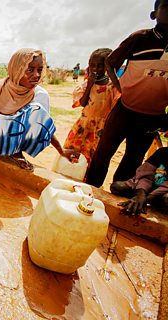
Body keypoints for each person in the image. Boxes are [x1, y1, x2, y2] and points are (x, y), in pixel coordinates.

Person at [85, 0, 168, 187]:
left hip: (153, 117)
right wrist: (120, 87)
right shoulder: (140, 39)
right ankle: (90, 189)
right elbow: (111, 62)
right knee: (103, 152)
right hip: (125, 109)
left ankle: (117, 194)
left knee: (133, 159)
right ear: (154, 15)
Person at [63, 48, 120, 166]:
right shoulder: (86, 85)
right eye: (92, 65)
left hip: (100, 128)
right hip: (83, 125)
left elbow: (116, 105)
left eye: (100, 66)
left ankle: (84, 179)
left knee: (91, 156)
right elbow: (83, 103)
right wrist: (89, 85)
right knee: (73, 151)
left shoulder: (111, 86)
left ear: (107, 67)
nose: (95, 69)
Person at [111, 147, 168, 215]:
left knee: (166, 199)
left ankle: (141, 202)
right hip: (147, 188)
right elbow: (145, 174)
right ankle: (138, 201)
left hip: (162, 193)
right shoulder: (163, 152)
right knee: (116, 186)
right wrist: (141, 193)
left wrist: (146, 199)